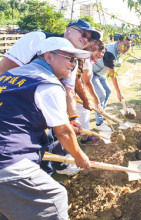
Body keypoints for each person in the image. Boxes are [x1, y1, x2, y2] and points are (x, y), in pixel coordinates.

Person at [0, 37, 91, 219]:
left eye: (76, 61)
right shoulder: (48, 83)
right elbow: (63, 131)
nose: (73, 65)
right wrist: (80, 157)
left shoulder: (10, 76)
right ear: (48, 56)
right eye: (69, 58)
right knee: (55, 197)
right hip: (9, 163)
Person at [0, 19, 100, 176]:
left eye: (90, 38)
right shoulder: (37, 39)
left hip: (38, 105)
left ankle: (45, 175)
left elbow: (69, 91)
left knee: (46, 137)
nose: (86, 40)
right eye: (83, 33)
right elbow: (5, 72)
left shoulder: (71, 59)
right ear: (68, 30)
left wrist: (73, 118)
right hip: (14, 103)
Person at [92, 35, 131, 131]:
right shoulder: (110, 53)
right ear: (118, 42)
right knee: (101, 94)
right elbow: (113, 75)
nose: (126, 49)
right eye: (124, 45)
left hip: (99, 73)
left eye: (128, 47)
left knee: (108, 91)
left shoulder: (118, 50)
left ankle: (101, 112)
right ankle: (99, 123)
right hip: (91, 72)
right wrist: (119, 93)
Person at [77, 40, 106, 144]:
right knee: (83, 111)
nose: (101, 55)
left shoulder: (88, 59)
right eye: (99, 51)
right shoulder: (86, 60)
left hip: (77, 88)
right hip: (74, 89)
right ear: (91, 49)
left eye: (103, 52)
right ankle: (85, 138)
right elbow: (87, 82)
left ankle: (85, 137)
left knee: (82, 111)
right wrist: (96, 99)